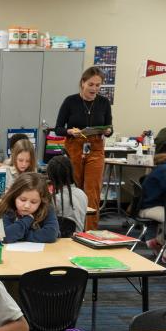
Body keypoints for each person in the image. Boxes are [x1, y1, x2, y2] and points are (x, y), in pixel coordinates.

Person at [55, 66, 113, 225]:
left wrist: (108, 131)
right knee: (75, 189)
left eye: (98, 85)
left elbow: (110, 127)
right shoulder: (70, 101)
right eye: (91, 84)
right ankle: (73, 227)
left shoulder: (104, 102)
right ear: (82, 83)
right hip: (74, 146)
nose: (94, 88)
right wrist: (69, 131)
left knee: (92, 191)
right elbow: (58, 128)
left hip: (96, 148)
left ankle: (91, 232)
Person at [0, 172, 60, 243]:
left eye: (33, 202)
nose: (27, 206)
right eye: (23, 200)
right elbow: (5, 236)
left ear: (41, 201)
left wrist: (18, 235)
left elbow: (50, 235)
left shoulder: (46, 208)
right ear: (14, 196)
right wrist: (27, 219)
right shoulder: (7, 208)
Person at [45, 155, 88, 237]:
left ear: (51, 176)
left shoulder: (55, 199)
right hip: (79, 240)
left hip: (61, 242)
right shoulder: (82, 194)